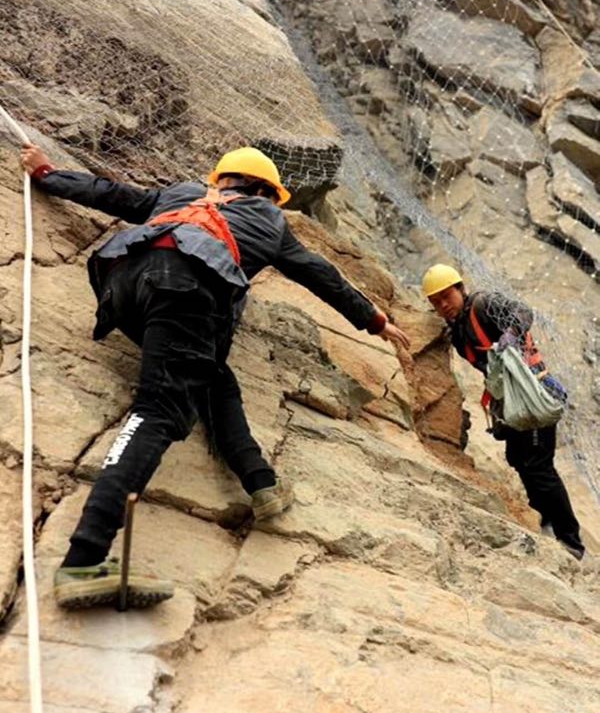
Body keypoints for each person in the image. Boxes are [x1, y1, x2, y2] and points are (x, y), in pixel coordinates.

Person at [21, 143, 411, 608]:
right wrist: (375, 321)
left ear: (221, 180)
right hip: (184, 287)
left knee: (207, 374)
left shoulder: (183, 194)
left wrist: (46, 173)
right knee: (158, 411)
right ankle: (85, 558)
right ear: (266, 192)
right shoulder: (270, 220)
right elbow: (318, 273)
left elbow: (111, 194)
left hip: (121, 285)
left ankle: (260, 483)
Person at [422, 263, 585, 560]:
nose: (443, 305)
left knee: (538, 465)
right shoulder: (457, 328)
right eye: (435, 302)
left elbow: (523, 312)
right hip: (512, 400)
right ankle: (544, 518)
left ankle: (570, 541)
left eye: (446, 296)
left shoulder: (484, 304)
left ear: (460, 288)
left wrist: (510, 334)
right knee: (518, 459)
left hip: (534, 392)